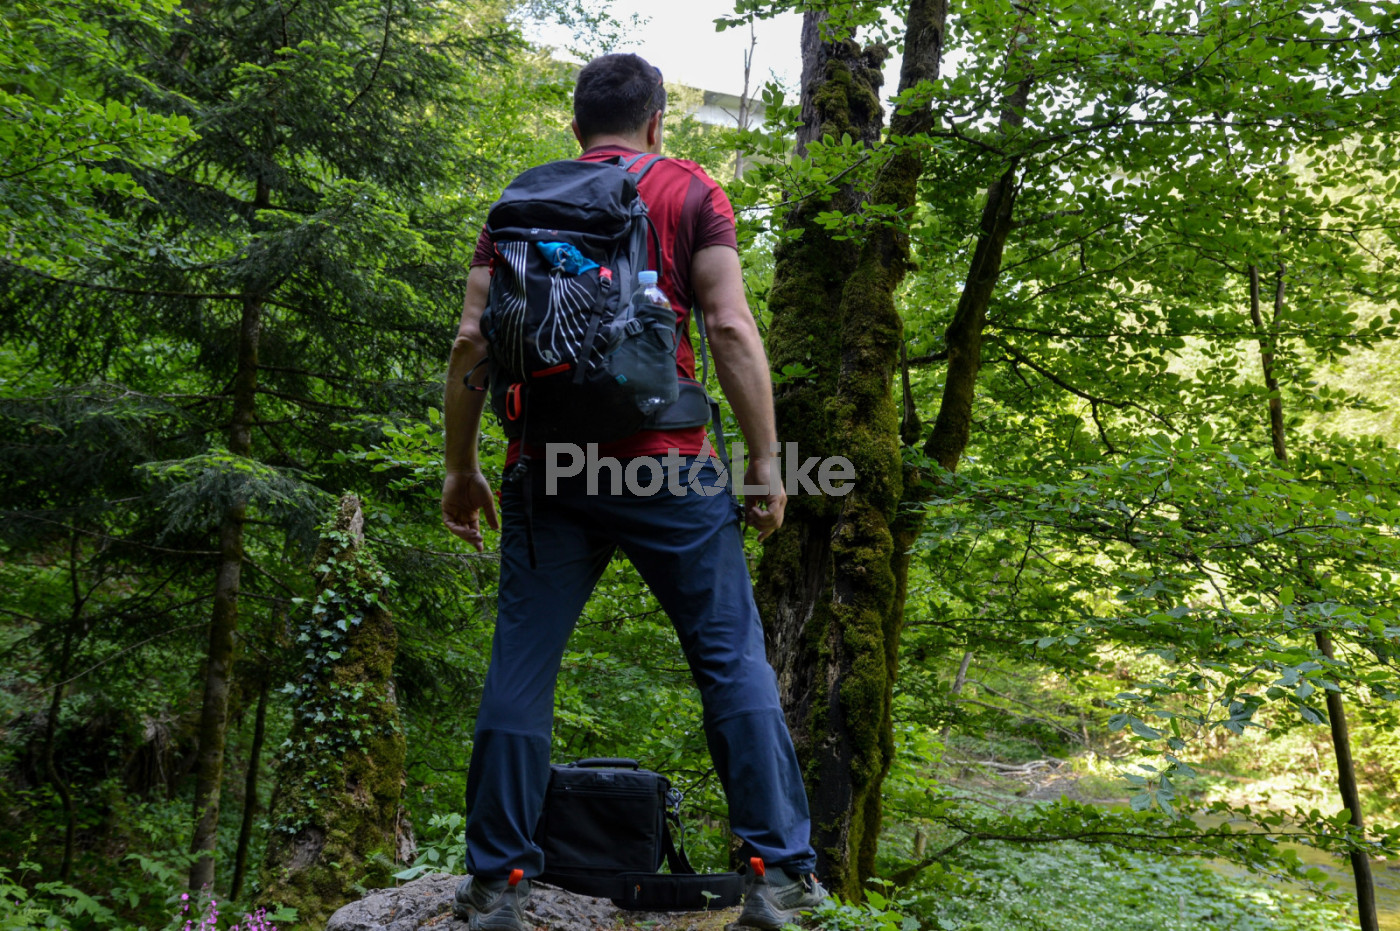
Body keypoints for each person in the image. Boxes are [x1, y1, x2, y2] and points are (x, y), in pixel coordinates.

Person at [441, 53, 825, 931]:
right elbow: (729, 324)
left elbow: (471, 342)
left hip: (544, 468)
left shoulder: (519, 204)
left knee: (522, 667)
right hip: (667, 462)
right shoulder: (691, 191)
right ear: (656, 121)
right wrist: (767, 462)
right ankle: (778, 873)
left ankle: (498, 880)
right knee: (729, 657)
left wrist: (461, 468)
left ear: (576, 126)